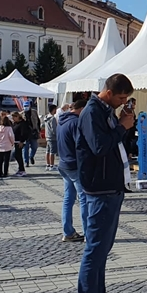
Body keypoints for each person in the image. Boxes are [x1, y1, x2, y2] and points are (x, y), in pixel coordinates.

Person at [76, 74, 135, 293]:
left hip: (110, 186)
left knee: (102, 249)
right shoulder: (92, 113)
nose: (123, 102)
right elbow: (99, 146)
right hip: (99, 188)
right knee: (95, 250)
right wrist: (122, 126)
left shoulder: (105, 111)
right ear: (108, 92)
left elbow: (113, 144)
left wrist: (123, 127)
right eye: (121, 97)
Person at [58, 98, 88, 242]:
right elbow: (80, 145)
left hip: (63, 163)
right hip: (74, 165)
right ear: (81, 109)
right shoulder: (76, 123)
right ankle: (89, 233)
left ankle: (67, 231)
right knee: (84, 199)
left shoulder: (62, 121)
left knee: (68, 199)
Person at [11, 111, 30, 177]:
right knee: (17, 155)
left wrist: (22, 141)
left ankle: (22, 170)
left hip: (20, 142)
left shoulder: (22, 124)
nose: (13, 119)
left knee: (17, 155)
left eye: (14, 117)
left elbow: (24, 133)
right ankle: (20, 169)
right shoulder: (15, 123)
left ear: (17, 117)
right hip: (15, 141)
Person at [44, 103, 59, 171]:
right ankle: (52, 165)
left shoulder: (46, 117)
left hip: (47, 136)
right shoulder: (52, 118)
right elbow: (54, 129)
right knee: (52, 152)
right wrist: (57, 135)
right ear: (53, 110)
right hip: (52, 137)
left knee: (48, 151)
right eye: (55, 109)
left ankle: (48, 164)